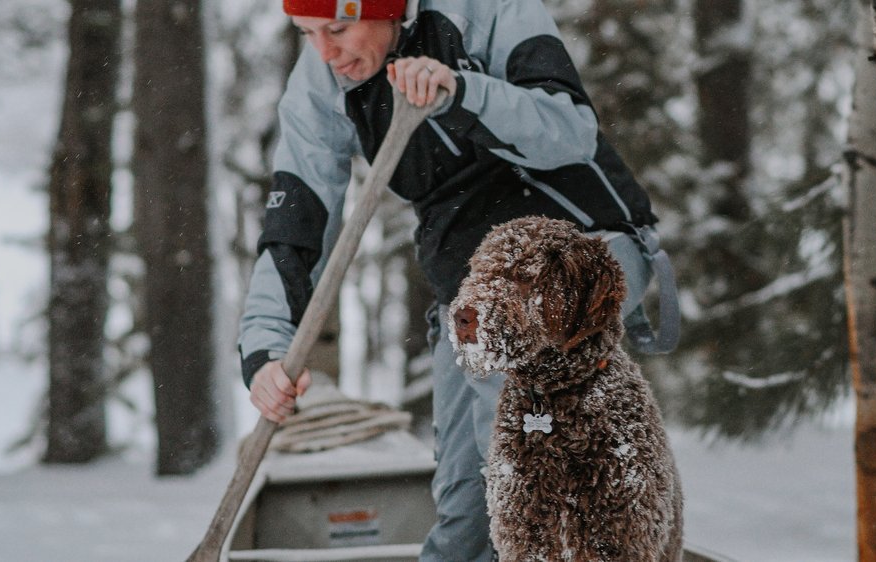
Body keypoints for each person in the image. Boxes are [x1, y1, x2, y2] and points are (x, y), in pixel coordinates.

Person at [238, 0, 675, 558]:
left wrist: (464, 94)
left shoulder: (486, 11)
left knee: (518, 409)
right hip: (470, 289)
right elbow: (296, 224)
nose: (326, 53)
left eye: (339, 28)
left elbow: (569, 129)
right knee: (468, 497)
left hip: (583, 249)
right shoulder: (321, 83)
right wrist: (266, 344)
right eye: (307, 33)